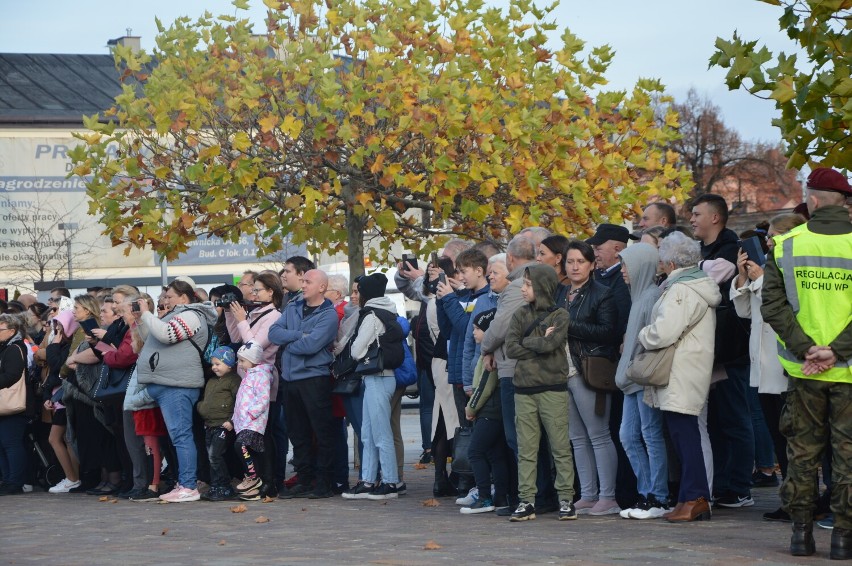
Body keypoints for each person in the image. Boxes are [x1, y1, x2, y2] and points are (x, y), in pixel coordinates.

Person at [760, 168, 852, 559]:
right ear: (844, 202)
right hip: (847, 370)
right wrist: (837, 351)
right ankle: (844, 537)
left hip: (804, 370)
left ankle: (801, 534)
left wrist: (806, 349)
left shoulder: (785, 245)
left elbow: (773, 307)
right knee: (847, 454)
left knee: (802, 453)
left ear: (811, 200)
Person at [638, 231, 722, 523]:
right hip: (688, 367)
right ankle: (690, 497)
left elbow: (664, 331)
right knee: (683, 434)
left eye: (662, 259)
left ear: (671, 262)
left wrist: (642, 335)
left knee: (685, 436)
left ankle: (696, 497)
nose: (660, 263)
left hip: (681, 369)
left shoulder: (680, 289)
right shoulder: (692, 285)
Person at [691, 192, 754, 509]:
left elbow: (711, 275)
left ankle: (741, 486)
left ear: (715, 217)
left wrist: (694, 265)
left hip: (730, 350)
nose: (691, 219)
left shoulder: (732, 249)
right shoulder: (705, 251)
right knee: (715, 420)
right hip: (709, 351)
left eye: (697, 213)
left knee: (735, 418)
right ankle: (724, 484)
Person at [504, 264, 576, 522]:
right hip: (523, 389)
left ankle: (566, 499)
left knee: (560, 448)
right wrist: (537, 342)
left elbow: (552, 343)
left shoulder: (560, 315)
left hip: (553, 389)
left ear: (543, 286)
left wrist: (528, 343)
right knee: (526, 449)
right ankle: (526, 501)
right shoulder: (519, 314)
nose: (523, 289)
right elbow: (510, 348)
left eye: (528, 284)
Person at [136, 279, 218, 503]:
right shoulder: (176, 314)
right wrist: (142, 319)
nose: (165, 300)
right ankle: (184, 482)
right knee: (177, 436)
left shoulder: (192, 314)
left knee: (182, 436)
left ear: (184, 297)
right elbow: (151, 338)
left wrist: (148, 314)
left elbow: (167, 334)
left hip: (178, 385)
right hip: (167, 384)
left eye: (169, 296)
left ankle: (189, 485)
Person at [559, 239, 622, 516]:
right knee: (577, 437)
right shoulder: (560, 293)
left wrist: (568, 325)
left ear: (592, 264)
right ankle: (588, 494)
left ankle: (608, 497)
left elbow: (608, 332)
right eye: (570, 261)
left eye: (580, 262)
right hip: (563, 369)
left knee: (598, 435)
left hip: (589, 370)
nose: (575, 267)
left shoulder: (602, 293)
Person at [480, 236, 538, 514]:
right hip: (515, 366)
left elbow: (500, 326)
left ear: (511, 260)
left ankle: (526, 496)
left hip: (513, 369)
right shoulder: (526, 284)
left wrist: (485, 344)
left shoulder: (517, 288)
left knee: (518, 438)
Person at [269, 269, 339, 499]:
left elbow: (312, 346)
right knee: (297, 433)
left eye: (308, 281)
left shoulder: (328, 314)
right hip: (290, 380)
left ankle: (325, 481)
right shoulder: (293, 306)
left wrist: (290, 341)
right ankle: (305, 478)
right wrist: (300, 335)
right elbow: (274, 333)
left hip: (314, 380)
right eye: (303, 281)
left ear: (321, 287)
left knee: (321, 431)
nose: (303, 284)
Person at [613, 242, 670, 519]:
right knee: (629, 435)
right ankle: (646, 492)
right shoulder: (638, 297)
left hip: (642, 378)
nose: (623, 271)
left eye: (627, 265)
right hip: (631, 379)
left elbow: (650, 340)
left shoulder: (649, 297)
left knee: (650, 434)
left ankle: (657, 496)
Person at [341, 273, 404, 500]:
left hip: (377, 378)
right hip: (380, 377)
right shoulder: (388, 311)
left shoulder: (371, 316)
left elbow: (357, 350)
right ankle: (368, 480)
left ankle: (389, 482)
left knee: (378, 433)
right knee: (368, 433)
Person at [460, 308, 509, 515]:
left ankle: (484, 496)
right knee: (495, 454)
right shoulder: (488, 353)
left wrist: (471, 408)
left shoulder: (490, 356)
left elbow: (484, 386)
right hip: (495, 411)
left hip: (490, 411)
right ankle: (501, 497)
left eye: (478, 329)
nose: (474, 333)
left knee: (475, 452)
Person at [227, 342, 274, 502]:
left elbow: (262, 398)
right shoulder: (248, 375)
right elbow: (241, 400)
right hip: (244, 422)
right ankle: (254, 485)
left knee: (240, 445)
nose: (239, 364)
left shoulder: (261, 375)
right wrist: (236, 418)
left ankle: (252, 477)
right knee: (249, 451)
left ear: (253, 360)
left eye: (242, 361)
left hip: (253, 422)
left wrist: (251, 414)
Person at [197, 346, 241, 502]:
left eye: (218, 364)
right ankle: (216, 485)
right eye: (213, 364)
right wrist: (201, 407)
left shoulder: (234, 380)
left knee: (215, 455)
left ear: (229, 364)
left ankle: (225, 486)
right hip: (210, 425)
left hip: (224, 425)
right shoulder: (212, 381)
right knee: (211, 457)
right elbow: (207, 399)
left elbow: (239, 401)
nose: (214, 367)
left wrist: (232, 420)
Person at [0, 313, 31, 496]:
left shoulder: (14, 348)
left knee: (11, 443)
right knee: (3, 443)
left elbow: (12, 374)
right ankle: (8, 479)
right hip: (5, 403)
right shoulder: (5, 347)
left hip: (13, 403)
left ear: (12, 331)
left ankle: (15, 481)